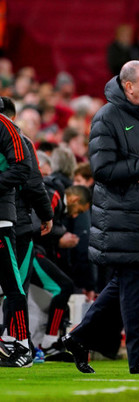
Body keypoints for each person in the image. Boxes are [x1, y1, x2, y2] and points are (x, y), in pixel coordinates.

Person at [62, 60, 139, 375]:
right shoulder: (107, 118)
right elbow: (101, 170)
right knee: (133, 287)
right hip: (120, 219)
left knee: (123, 285)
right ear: (128, 86)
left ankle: (79, 336)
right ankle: (138, 357)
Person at [0, 95, 33, 367]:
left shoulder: (5, 126)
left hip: (1, 219)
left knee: (12, 284)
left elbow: (23, 168)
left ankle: (22, 345)